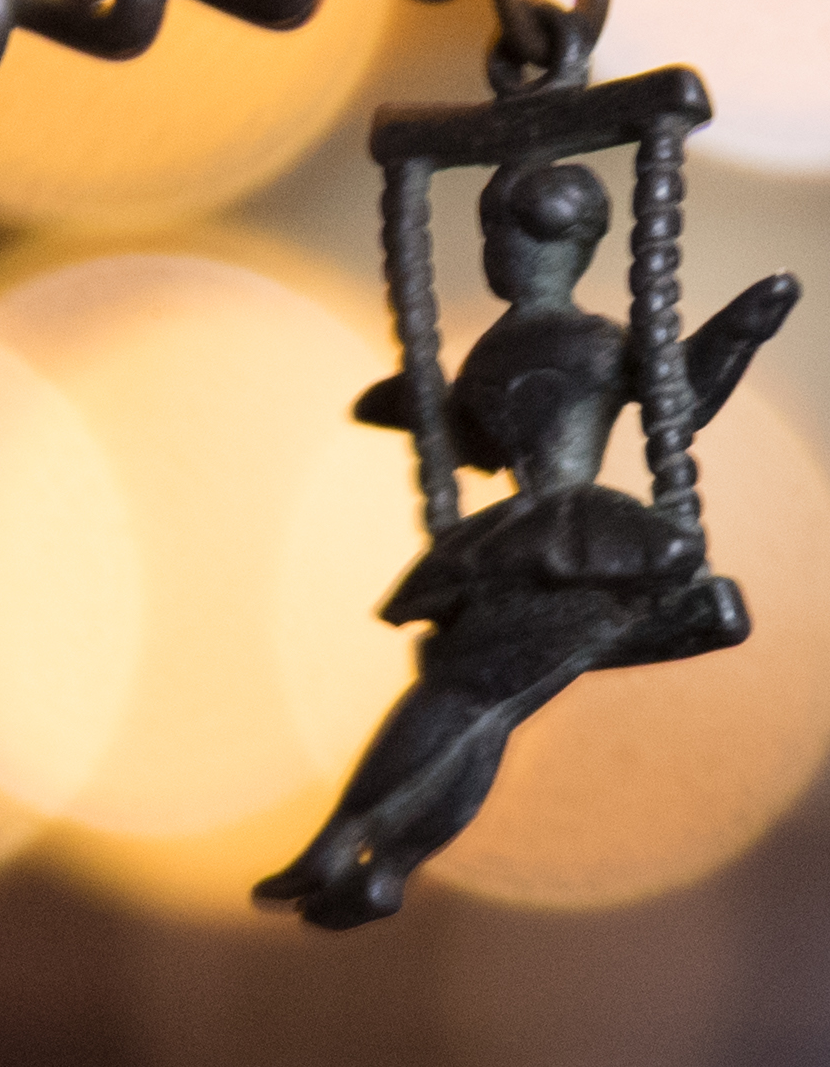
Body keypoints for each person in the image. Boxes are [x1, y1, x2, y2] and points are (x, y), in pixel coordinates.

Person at [257, 159, 795, 930]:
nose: (508, 252)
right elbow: (476, 444)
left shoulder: (596, 341)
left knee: (472, 698)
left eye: (531, 236)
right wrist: (417, 410)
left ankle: (356, 845)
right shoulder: (490, 355)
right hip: (516, 538)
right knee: (482, 705)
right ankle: (378, 858)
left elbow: (681, 400)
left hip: (581, 533)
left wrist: (740, 330)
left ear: (577, 251)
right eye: (496, 234)